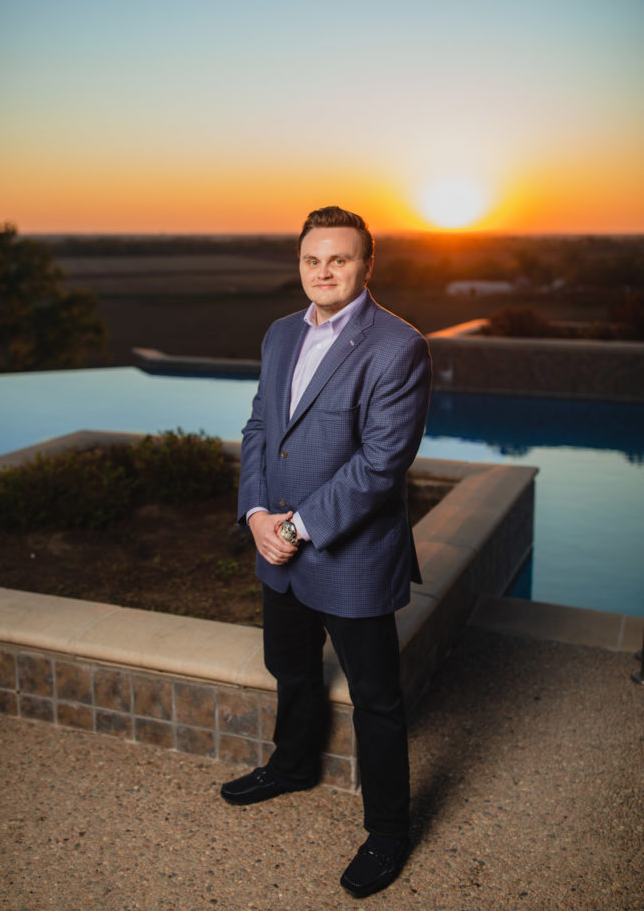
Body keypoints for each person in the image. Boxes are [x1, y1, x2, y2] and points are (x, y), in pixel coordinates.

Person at [221, 205, 432, 898]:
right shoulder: (279, 333)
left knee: (374, 697)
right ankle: (291, 766)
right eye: (312, 259)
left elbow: (379, 465)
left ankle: (388, 831)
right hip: (273, 542)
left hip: (350, 555)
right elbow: (258, 427)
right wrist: (254, 513)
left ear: (366, 265)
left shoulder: (396, 345)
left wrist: (293, 529)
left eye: (339, 259)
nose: (323, 271)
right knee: (290, 668)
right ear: (300, 263)